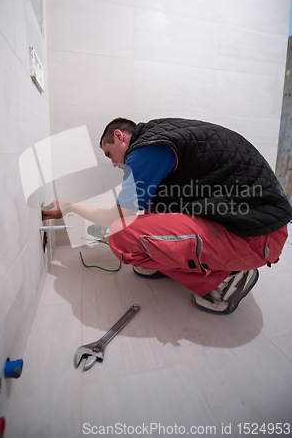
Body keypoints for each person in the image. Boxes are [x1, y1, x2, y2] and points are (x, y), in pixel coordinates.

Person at [42, 117, 292, 315]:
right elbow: (144, 207)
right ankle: (181, 264)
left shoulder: (146, 150)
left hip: (257, 237)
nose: (113, 163)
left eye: (109, 154)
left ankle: (225, 280)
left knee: (120, 234)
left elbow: (116, 218)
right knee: (151, 211)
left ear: (119, 136)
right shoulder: (162, 135)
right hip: (256, 224)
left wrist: (71, 206)